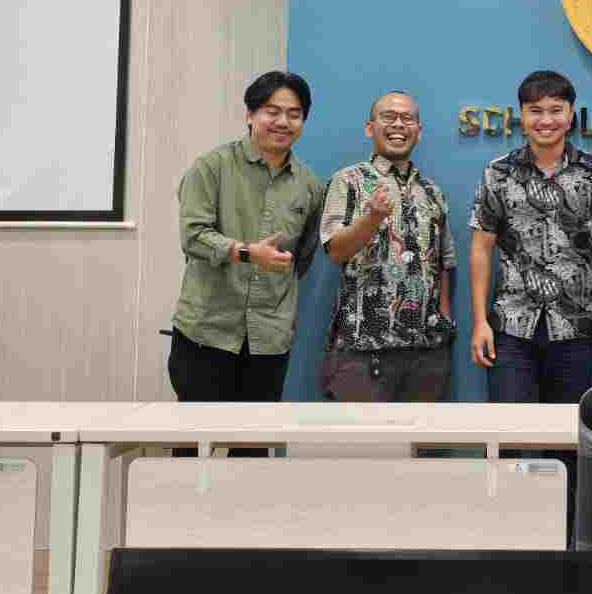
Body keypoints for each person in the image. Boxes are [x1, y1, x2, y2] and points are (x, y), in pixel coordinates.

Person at [169, 71, 325, 449]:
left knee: (252, 452)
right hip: (206, 333)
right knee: (193, 449)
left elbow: (302, 258)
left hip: (268, 341)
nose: (283, 121)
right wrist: (247, 253)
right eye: (272, 111)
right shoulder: (212, 167)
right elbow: (193, 236)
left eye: (294, 114)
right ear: (250, 115)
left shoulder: (309, 185)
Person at [469, 69, 592, 403]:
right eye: (535, 110)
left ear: (570, 115)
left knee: (567, 429)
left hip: (574, 326)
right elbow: (481, 247)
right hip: (511, 327)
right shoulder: (498, 173)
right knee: (508, 428)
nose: (546, 120)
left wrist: (572, 260)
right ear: (522, 116)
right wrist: (480, 322)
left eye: (556, 110)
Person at [318, 90, 456, 402]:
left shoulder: (432, 192)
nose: (398, 125)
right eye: (389, 117)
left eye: (407, 119)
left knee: (420, 435)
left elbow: (445, 261)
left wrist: (444, 318)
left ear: (419, 130)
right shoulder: (348, 180)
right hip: (362, 349)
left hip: (426, 351)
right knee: (362, 435)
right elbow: (335, 250)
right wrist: (371, 218)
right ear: (370, 127)